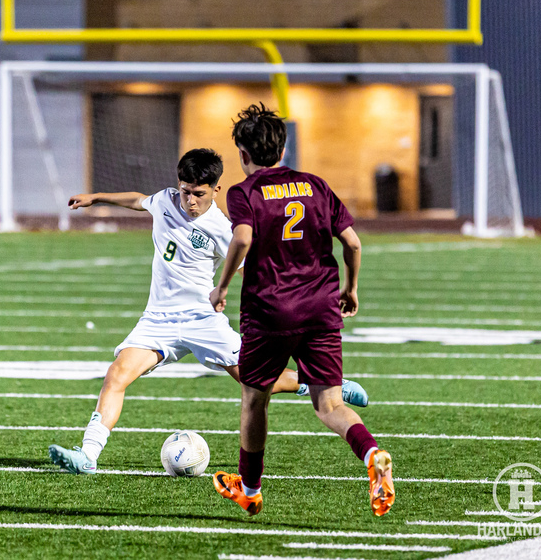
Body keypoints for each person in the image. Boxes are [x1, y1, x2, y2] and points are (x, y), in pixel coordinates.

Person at [48, 148, 368, 475]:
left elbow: (252, 271)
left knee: (258, 381)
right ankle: (88, 455)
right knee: (116, 374)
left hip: (203, 320)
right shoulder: (165, 200)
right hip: (158, 320)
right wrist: (96, 198)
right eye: (185, 191)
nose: (190, 201)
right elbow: (138, 200)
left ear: (216, 190)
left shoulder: (223, 228)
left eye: (198, 194)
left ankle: (327, 384)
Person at [210, 104, 394, 517]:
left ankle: (250, 489)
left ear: (243, 153)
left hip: (269, 312)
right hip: (321, 308)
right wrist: (351, 288)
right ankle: (371, 454)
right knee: (329, 405)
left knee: (254, 399)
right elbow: (353, 243)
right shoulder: (316, 185)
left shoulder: (244, 192)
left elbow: (242, 238)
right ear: (283, 148)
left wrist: (221, 287)